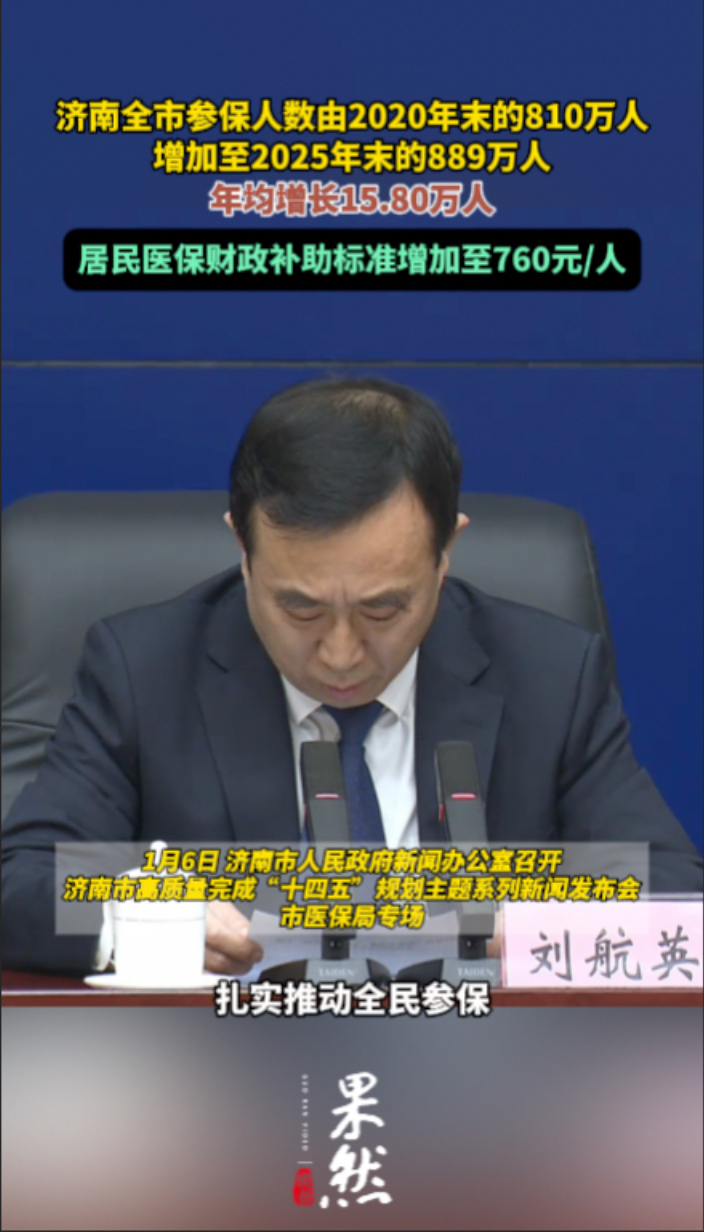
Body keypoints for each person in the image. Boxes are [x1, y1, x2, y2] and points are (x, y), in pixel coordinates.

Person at [2, 377, 701, 976]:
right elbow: (21, 882)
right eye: (300, 609)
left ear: (446, 551)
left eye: (383, 609)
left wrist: (521, 924)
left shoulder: (549, 674)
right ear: (242, 547)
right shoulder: (144, 669)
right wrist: (143, 914)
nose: (340, 654)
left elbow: (670, 894)